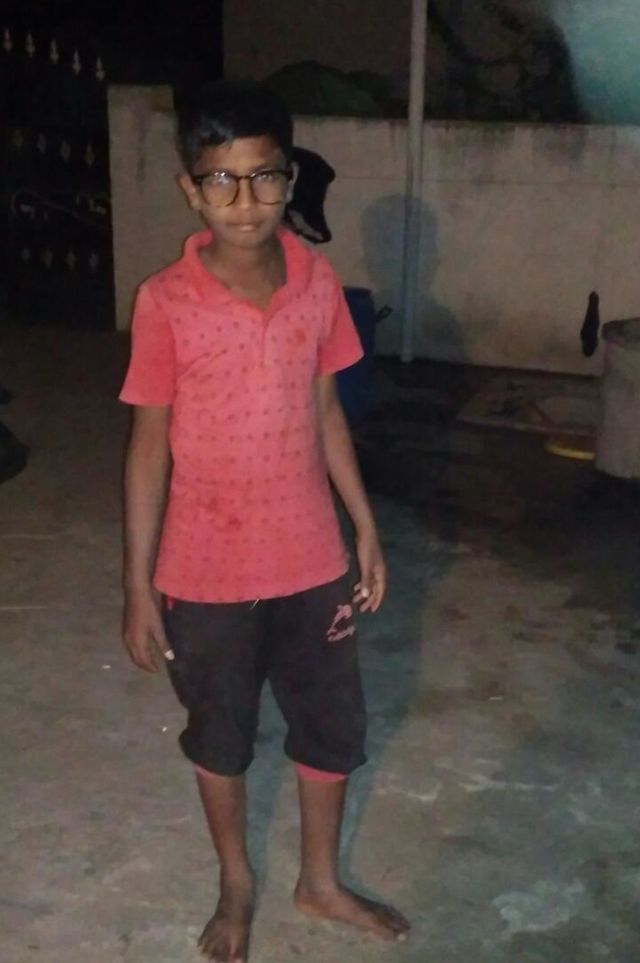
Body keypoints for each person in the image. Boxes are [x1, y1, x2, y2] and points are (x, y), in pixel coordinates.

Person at [120, 79, 409, 963]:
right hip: (204, 568)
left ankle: (318, 880)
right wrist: (138, 586)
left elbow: (326, 414)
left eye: (264, 177)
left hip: (311, 556)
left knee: (331, 723)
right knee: (221, 731)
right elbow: (148, 449)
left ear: (290, 178)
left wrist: (363, 525)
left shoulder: (318, 285)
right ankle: (236, 879)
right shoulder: (166, 301)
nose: (245, 201)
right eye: (221, 179)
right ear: (191, 188)